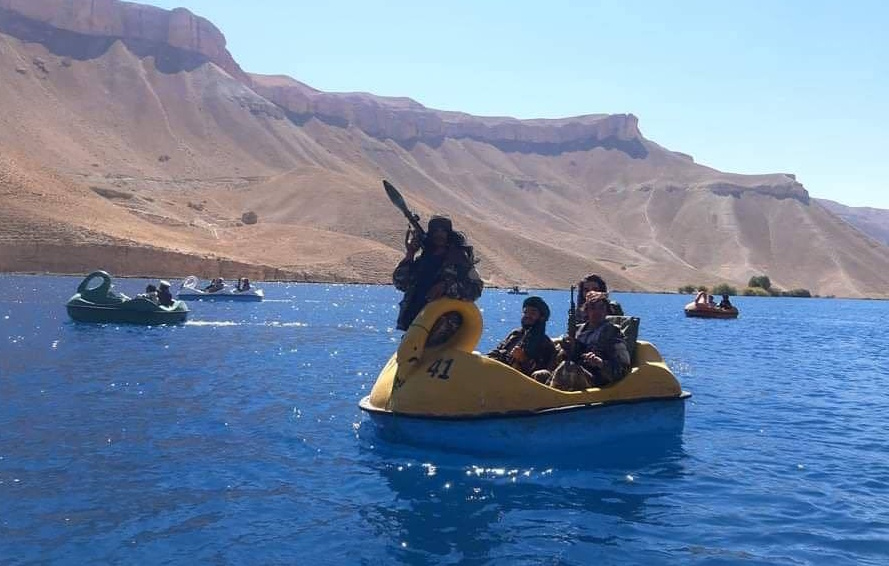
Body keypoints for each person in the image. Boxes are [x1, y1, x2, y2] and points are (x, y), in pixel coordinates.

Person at [393, 215, 484, 331]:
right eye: (435, 231)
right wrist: (410, 254)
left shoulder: (459, 260)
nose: (439, 234)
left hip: (444, 333)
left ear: (449, 234)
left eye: (443, 231)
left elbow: (476, 290)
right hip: (415, 329)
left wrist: (447, 286)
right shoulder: (423, 260)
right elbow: (400, 283)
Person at [537, 291, 631, 390]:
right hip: (575, 374)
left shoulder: (613, 333)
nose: (597, 312)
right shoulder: (578, 331)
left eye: (601, 308)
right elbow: (561, 359)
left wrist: (600, 363)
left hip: (596, 378)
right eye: (593, 308)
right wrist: (566, 350)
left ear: (607, 311)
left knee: (569, 367)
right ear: (586, 311)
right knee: (540, 375)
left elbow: (622, 369)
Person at [487, 296, 557, 378]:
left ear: (542, 318)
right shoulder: (515, 334)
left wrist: (523, 359)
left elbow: (544, 375)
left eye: (533, 313)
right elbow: (498, 351)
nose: (527, 316)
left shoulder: (546, 344)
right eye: (525, 312)